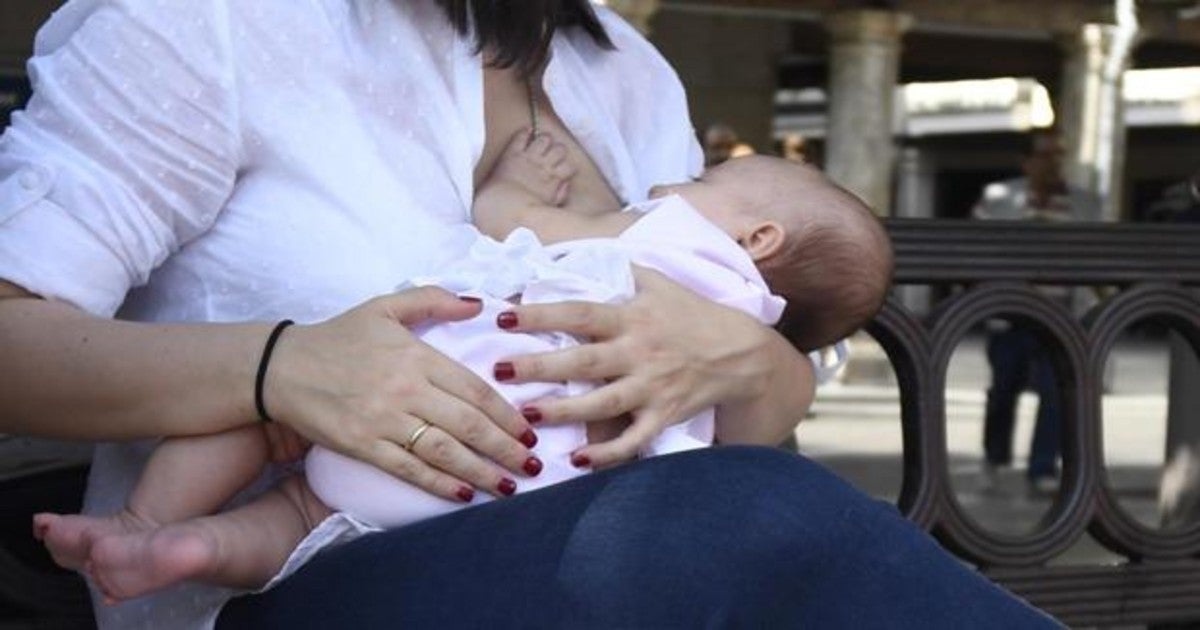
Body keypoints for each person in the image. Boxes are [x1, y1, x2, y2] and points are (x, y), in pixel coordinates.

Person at [0, 1, 1059, 627]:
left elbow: (756, 391)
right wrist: (277, 370)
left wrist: (748, 365)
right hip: (284, 573)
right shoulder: (209, 25)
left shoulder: (624, 75)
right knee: (738, 519)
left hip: (617, 566)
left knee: (736, 520)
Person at [34, 134, 891, 603]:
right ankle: (189, 550)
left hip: (430, 423)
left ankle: (149, 528)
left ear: (759, 241)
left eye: (702, 177)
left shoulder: (680, 245)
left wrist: (516, 194)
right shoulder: (738, 299)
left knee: (277, 460)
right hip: (524, 514)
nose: (672, 183)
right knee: (298, 508)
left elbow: (516, 221)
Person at [972, 130, 1099, 493]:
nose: (1054, 163)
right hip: (1009, 313)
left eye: (1059, 155)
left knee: (1056, 390)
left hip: (1059, 315)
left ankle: (1043, 467)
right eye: (1045, 155)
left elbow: (1094, 252)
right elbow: (979, 246)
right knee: (1003, 390)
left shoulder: (1084, 204)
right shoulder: (998, 198)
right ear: (1027, 161)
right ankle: (994, 459)